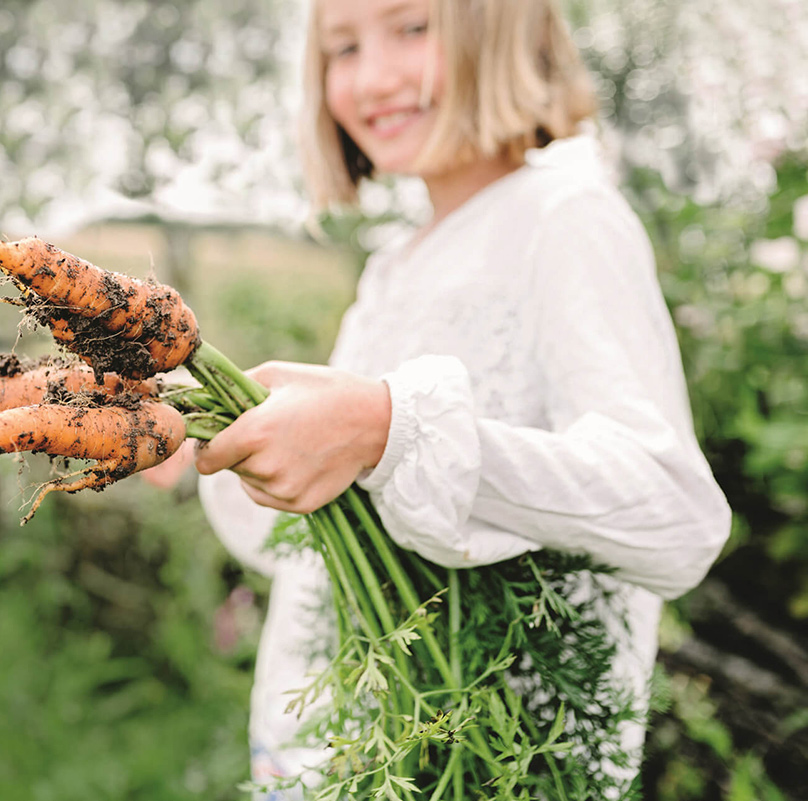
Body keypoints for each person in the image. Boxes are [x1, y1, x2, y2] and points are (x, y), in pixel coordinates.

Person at [147, 0, 732, 795]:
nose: (373, 77)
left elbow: (675, 515)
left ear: (504, 29)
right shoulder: (393, 268)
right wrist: (221, 445)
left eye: (412, 28)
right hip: (343, 757)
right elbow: (320, 544)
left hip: (496, 769)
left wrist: (390, 430)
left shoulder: (567, 219)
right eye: (342, 47)